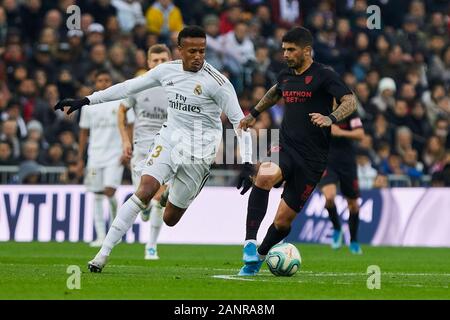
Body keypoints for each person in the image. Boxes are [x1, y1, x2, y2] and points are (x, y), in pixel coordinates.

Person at [54, 26, 253, 273]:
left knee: (170, 219)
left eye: (202, 51)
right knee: (145, 190)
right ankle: (102, 255)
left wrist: (247, 162)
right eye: (192, 51)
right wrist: (86, 100)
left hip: (199, 152)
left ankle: (171, 195)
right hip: (169, 139)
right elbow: (127, 88)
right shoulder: (165, 71)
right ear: (179, 51)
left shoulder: (219, 83)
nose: (198, 56)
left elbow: (240, 123)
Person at [237, 27, 357, 276]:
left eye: (291, 50)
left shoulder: (324, 75)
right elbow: (274, 92)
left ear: (306, 50)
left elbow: (350, 101)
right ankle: (249, 242)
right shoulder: (285, 75)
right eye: (284, 49)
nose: (286, 54)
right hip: (286, 146)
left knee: (282, 222)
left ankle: (259, 257)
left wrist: (330, 118)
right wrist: (254, 114)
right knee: (264, 176)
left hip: (313, 160)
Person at [117, 44, 171, 260]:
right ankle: (146, 208)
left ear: (170, 61)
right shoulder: (139, 85)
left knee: (159, 196)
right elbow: (121, 109)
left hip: (165, 147)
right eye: (155, 61)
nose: (159, 64)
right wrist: (124, 141)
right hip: (140, 147)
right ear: (148, 63)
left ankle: (151, 246)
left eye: (163, 60)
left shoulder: (177, 86)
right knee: (144, 198)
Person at [78, 69, 124, 247]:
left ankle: (114, 230)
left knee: (110, 191)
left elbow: (129, 126)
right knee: (97, 195)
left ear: (111, 82)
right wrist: (80, 157)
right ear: (95, 83)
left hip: (115, 155)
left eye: (107, 80)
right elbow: (83, 132)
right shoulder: (89, 104)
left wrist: (128, 148)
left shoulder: (120, 102)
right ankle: (100, 235)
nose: (104, 83)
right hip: (95, 156)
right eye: (100, 80)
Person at [319, 108, 365, 254]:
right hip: (327, 162)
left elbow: (360, 134)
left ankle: (354, 241)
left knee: (353, 205)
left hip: (347, 163)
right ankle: (337, 228)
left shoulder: (350, 113)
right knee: (329, 197)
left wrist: (341, 132)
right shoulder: (320, 109)